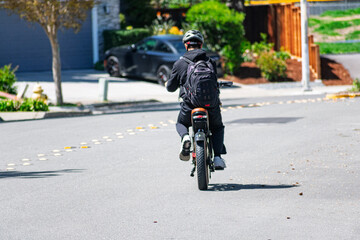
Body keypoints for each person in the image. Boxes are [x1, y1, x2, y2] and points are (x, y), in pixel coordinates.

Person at [165, 29, 227, 170]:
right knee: (217, 127)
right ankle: (217, 157)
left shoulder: (179, 64)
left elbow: (170, 87)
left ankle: (185, 137)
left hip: (189, 105)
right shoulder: (209, 61)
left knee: (181, 122)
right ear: (201, 45)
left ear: (186, 45)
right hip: (210, 105)